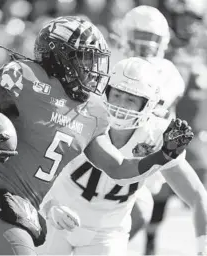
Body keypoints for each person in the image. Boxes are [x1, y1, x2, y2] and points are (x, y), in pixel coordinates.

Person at [0, 16, 188, 255]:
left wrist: (163, 155)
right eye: (86, 58)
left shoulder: (93, 110)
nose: (94, 69)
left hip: (25, 210)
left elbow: (118, 167)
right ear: (60, 57)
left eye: (96, 60)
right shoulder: (28, 78)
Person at [36, 57, 206, 256]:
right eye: (117, 95)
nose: (121, 105)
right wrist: (47, 206)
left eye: (131, 99)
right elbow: (34, 165)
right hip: (56, 217)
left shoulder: (157, 135)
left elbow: (196, 196)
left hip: (107, 234)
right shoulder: (85, 114)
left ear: (149, 105)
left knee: (144, 206)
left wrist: (203, 247)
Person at [116, 5, 188, 245]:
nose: (146, 45)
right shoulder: (113, 60)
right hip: (107, 144)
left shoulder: (167, 72)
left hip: (140, 150)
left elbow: (156, 110)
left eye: (152, 39)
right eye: (140, 37)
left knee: (140, 212)